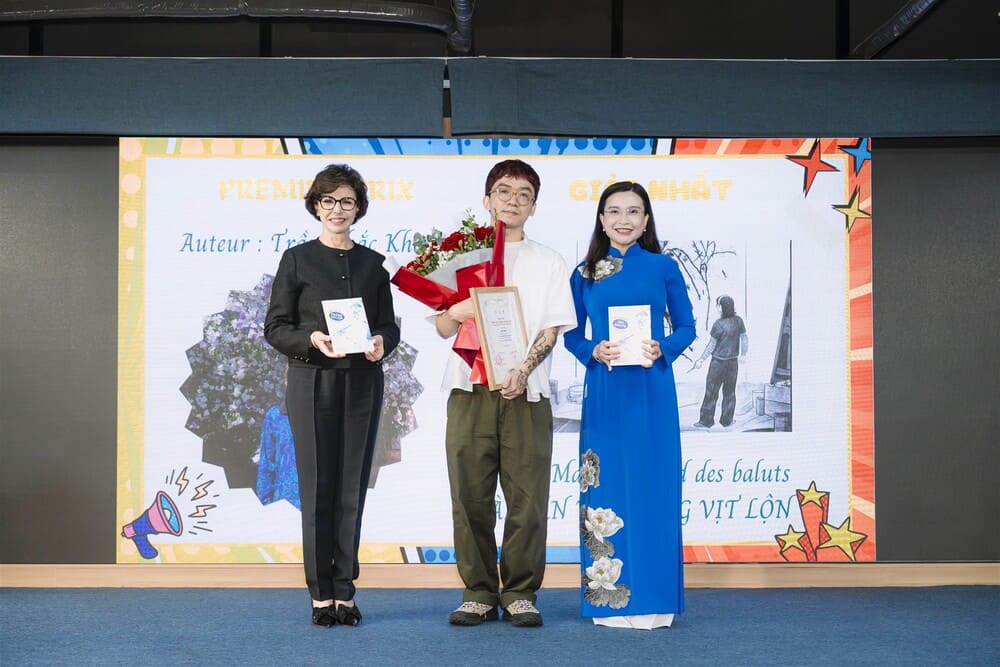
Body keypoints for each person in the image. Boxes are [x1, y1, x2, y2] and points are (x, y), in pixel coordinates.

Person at [434, 159, 576, 627]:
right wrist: (455, 311)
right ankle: (477, 589)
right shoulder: (461, 255)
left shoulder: (548, 260)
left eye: (523, 195)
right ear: (486, 200)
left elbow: (553, 329)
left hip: (525, 393)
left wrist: (522, 370)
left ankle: (519, 591)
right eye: (504, 191)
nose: (512, 201)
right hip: (468, 388)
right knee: (469, 494)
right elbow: (440, 325)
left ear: (534, 206)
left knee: (528, 496)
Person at [264, 163, 399, 628]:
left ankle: (346, 591)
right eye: (328, 201)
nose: (337, 209)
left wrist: (383, 342)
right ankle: (320, 594)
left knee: (351, 489)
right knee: (318, 486)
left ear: (358, 207)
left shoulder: (373, 264)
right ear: (315, 206)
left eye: (346, 201)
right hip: (311, 380)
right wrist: (310, 340)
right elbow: (276, 327)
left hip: (363, 380)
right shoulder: (297, 259)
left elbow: (388, 325)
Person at [564, 181, 696, 629]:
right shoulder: (584, 273)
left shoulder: (663, 267)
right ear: (601, 219)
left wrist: (664, 347)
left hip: (653, 390)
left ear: (645, 220)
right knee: (607, 487)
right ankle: (609, 600)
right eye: (614, 211)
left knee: (654, 487)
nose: (624, 219)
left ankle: (656, 600)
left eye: (634, 212)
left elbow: (687, 328)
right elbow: (570, 334)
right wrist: (591, 351)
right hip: (606, 391)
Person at [692, 295, 748, 429]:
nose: (717, 307)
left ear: (723, 307)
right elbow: (744, 339)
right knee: (730, 392)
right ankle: (727, 420)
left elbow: (711, 345)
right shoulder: (739, 321)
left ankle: (706, 421)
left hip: (718, 363)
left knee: (711, 391)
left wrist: (701, 359)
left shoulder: (718, 324)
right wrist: (743, 354)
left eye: (718, 305)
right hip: (732, 364)